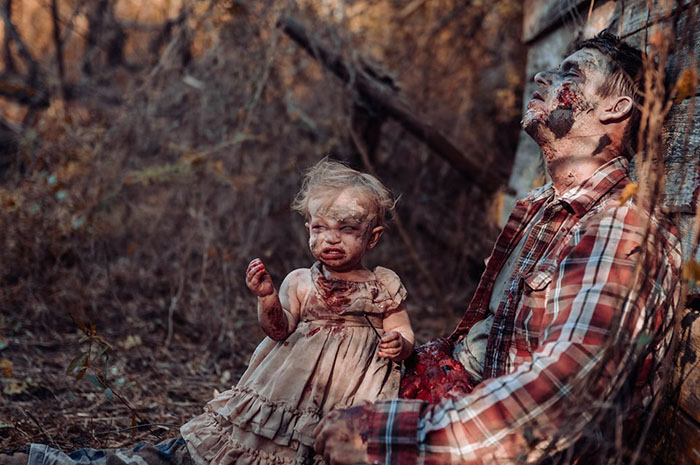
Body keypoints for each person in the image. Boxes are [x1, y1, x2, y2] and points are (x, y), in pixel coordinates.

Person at [314, 32, 682, 465]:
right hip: (455, 394)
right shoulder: (539, 208)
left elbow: (556, 400)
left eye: (571, 73)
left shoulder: (620, 232)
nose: (542, 77)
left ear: (615, 109)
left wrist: (382, 436)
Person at [5, 160, 414, 465]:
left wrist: (401, 343)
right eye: (319, 228)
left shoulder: (382, 283)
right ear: (308, 227)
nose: (330, 240)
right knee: (263, 447)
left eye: (346, 230)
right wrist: (267, 297)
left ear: (372, 237)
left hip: (351, 397)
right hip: (286, 392)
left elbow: (403, 329)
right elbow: (278, 330)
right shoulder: (300, 281)